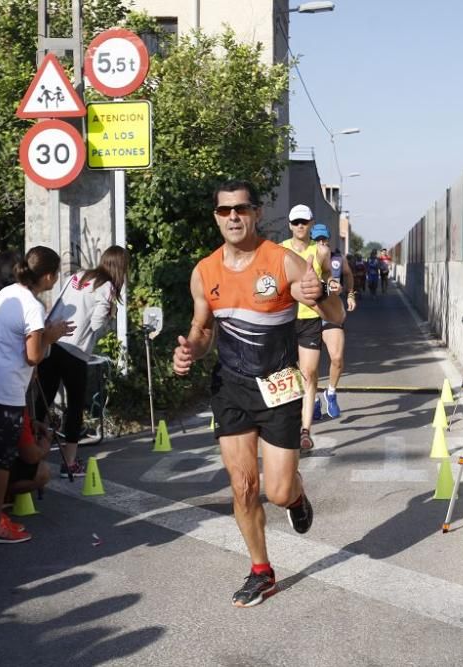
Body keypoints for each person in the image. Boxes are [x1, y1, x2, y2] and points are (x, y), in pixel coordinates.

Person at [172, 180, 344, 607]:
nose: (233, 217)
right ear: (215, 216)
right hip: (231, 388)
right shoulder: (204, 271)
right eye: (224, 210)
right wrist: (192, 348)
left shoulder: (283, 262)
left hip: (279, 387)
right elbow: (204, 328)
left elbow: (336, 316)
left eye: (241, 209)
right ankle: (261, 571)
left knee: (278, 492)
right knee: (244, 485)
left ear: (255, 213)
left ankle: (297, 497)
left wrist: (320, 295)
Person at [0, 247, 73, 544]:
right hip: (4, 391)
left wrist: (45, 334)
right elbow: (33, 356)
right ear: (49, 276)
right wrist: (51, 336)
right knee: (1, 459)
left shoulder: (8, 292)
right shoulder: (33, 307)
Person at [38, 245, 129, 477]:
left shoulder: (77, 276)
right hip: (75, 350)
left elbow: (58, 303)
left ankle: (30, 453)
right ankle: (69, 462)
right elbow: (98, 324)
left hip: (53, 341)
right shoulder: (107, 286)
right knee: (75, 404)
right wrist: (109, 319)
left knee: (43, 400)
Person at [280, 206, 330, 451]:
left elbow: (330, 277)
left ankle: (305, 431)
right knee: (289, 376)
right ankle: (289, 423)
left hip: (311, 318)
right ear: (290, 225)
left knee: (309, 374)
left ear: (311, 223)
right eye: (296, 222)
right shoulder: (279, 251)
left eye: (304, 222)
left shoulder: (320, 251)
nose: (300, 226)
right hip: (286, 320)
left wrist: (332, 286)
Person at [311, 227, 357, 418]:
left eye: (324, 239)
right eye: (317, 239)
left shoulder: (337, 259)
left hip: (331, 314)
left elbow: (348, 274)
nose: (321, 242)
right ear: (312, 240)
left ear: (329, 239)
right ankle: (313, 400)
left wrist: (350, 294)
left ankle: (330, 393)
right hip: (310, 314)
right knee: (309, 367)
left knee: (337, 358)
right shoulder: (305, 258)